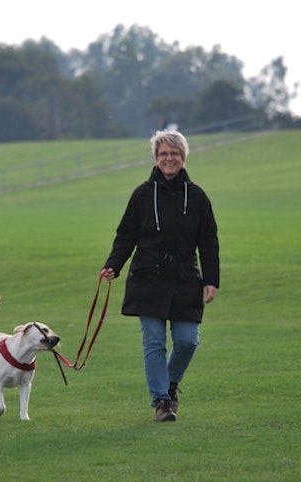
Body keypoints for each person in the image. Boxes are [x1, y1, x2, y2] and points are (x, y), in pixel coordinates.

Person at [100, 130, 220, 422]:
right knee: (154, 341)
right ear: (156, 157)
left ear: (183, 158)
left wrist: (211, 279)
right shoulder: (142, 194)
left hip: (185, 278)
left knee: (188, 340)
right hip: (148, 277)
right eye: (164, 154)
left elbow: (208, 241)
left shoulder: (198, 196)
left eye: (175, 154)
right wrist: (113, 264)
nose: (169, 159)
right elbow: (126, 235)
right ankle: (162, 401)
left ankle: (170, 383)